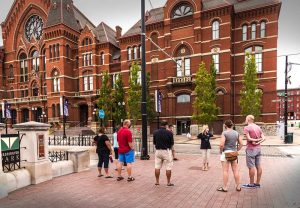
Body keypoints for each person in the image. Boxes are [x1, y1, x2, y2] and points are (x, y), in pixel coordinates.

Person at [218, 120, 243, 192]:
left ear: (225, 125)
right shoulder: (236, 133)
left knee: (225, 171)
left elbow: (221, 144)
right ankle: (238, 187)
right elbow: (242, 143)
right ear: (232, 125)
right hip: (234, 153)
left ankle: (225, 187)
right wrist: (237, 150)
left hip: (226, 153)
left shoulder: (224, 133)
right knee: (235, 170)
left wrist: (221, 151)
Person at [242, 115, 266, 189]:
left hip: (251, 149)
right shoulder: (258, 127)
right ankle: (257, 183)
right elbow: (264, 138)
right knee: (258, 165)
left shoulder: (247, 128)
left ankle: (251, 184)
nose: (245, 120)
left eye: (246, 119)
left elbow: (249, 139)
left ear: (248, 119)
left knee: (251, 166)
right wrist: (258, 142)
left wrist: (254, 141)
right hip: (258, 148)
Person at [153, 120, 174, 187]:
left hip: (158, 151)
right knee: (168, 167)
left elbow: (154, 142)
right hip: (166, 151)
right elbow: (172, 143)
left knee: (157, 167)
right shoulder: (169, 133)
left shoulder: (155, 132)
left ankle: (157, 181)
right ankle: (168, 182)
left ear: (160, 125)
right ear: (166, 125)